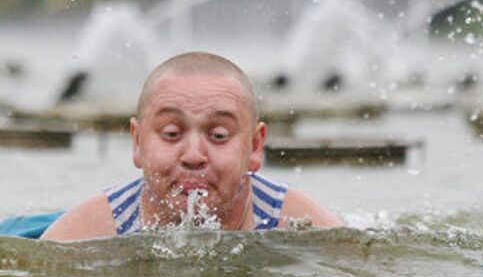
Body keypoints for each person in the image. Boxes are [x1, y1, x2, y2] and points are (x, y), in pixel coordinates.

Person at [42, 51, 341, 241]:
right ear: (137, 142)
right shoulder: (86, 230)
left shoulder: (298, 223)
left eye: (219, 135)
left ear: (254, 147)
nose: (194, 156)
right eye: (171, 133)